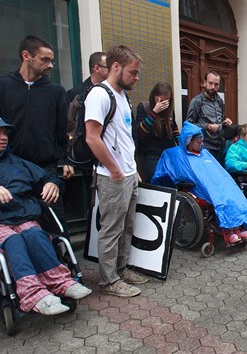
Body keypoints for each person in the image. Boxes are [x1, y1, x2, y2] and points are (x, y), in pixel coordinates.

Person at [0, 113, 91, 315]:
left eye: (5, 133)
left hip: (24, 217)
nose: (3, 137)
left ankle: (61, 283)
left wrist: (52, 184)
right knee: (13, 241)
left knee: (35, 234)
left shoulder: (18, 163)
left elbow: (48, 178)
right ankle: (33, 294)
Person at [0, 35, 74, 231]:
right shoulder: (1, 85)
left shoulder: (56, 91)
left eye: (52, 60)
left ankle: (61, 261)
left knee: (55, 224)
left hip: (46, 169)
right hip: (11, 167)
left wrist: (65, 160)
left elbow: (63, 130)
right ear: (26, 56)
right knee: (18, 224)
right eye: (45, 59)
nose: (50, 65)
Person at [84, 45, 148, 298]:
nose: (136, 77)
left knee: (127, 226)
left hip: (128, 174)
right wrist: (115, 169)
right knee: (111, 229)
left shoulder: (122, 96)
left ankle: (121, 271)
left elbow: (122, 138)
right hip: (113, 177)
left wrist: (132, 170)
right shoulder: (99, 95)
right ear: (115, 67)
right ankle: (109, 280)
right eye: (133, 73)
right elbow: (92, 137)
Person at [152, 122, 247, 244]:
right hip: (199, 186)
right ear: (189, 141)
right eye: (198, 142)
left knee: (233, 193)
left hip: (217, 182)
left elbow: (218, 170)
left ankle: (238, 229)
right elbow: (172, 172)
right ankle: (229, 232)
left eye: (202, 141)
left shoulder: (204, 153)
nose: (201, 144)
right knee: (222, 199)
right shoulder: (178, 155)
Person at [134, 82, 180, 183]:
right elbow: (139, 132)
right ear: (154, 96)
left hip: (169, 154)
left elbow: (174, 128)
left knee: (170, 184)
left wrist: (180, 143)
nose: (162, 103)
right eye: (159, 100)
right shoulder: (144, 107)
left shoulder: (169, 110)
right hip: (151, 155)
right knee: (155, 184)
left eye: (165, 101)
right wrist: (154, 112)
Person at [187, 71, 232, 163]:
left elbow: (220, 123)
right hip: (205, 147)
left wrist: (225, 123)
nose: (213, 87)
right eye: (210, 83)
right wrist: (207, 127)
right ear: (204, 83)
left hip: (220, 146)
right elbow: (189, 125)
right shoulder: (197, 101)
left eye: (216, 84)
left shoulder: (219, 100)